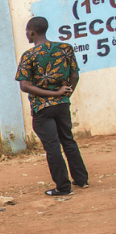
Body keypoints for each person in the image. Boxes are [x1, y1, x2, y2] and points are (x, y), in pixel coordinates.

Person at [16, 16, 89, 196]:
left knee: (52, 147)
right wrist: (64, 94)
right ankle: (81, 179)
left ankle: (63, 187)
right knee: (68, 140)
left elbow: (24, 86)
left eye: (27, 31)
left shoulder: (29, 55)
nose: (27, 34)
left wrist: (52, 95)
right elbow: (74, 75)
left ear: (32, 32)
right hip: (62, 105)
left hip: (42, 108)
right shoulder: (65, 48)